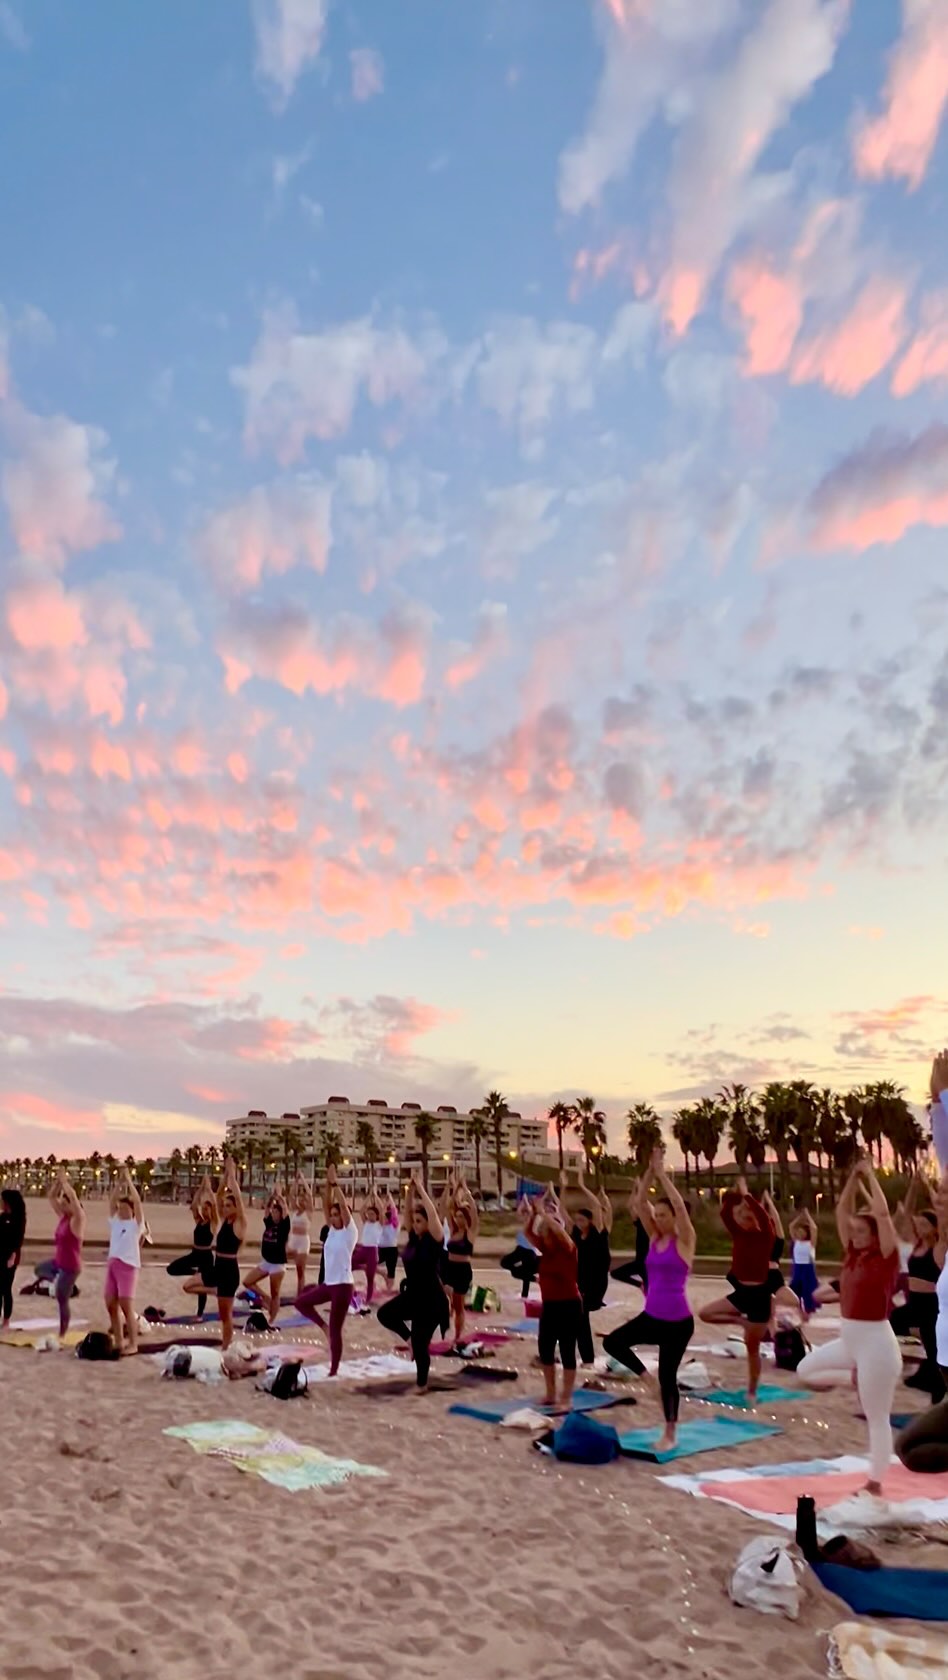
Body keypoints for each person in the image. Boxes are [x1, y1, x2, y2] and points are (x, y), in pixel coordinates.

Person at [798, 1157, 901, 1495]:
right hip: (851, 1341)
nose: (854, 1235)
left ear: (874, 1236)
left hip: (877, 1344)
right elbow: (843, 1213)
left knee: (876, 1416)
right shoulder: (852, 1254)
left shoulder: (886, 1257)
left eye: (861, 1231)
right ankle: (852, 1377)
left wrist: (870, 1177)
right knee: (805, 1371)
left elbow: (883, 1216)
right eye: (853, 1232)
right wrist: (852, 1180)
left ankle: (875, 1482)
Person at [602, 1149, 696, 1451]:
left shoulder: (685, 1241)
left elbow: (680, 1208)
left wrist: (664, 1176)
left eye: (663, 1215)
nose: (657, 1218)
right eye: (656, 1215)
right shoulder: (654, 1239)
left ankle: (670, 1432)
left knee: (669, 1376)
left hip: (678, 1323)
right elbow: (640, 1204)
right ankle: (645, 1378)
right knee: (613, 1343)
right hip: (652, 1317)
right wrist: (648, 1174)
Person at [699, 1177, 775, 1403]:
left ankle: (752, 1390)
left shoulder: (765, 1236)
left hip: (760, 1297)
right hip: (741, 1294)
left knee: (753, 1348)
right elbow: (725, 1214)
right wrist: (734, 1195)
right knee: (705, 1313)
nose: (744, 1219)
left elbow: (762, 1216)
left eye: (748, 1216)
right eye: (741, 1216)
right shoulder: (738, 1234)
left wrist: (747, 1196)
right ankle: (740, 1321)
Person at [377, 1176, 450, 1392]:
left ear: (428, 1222)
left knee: (421, 1344)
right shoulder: (414, 1238)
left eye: (420, 1221)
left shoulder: (434, 1239)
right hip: (414, 1295)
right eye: (415, 1221)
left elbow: (434, 1214)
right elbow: (408, 1214)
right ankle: (408, 1339)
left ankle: (422, 1384)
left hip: (432, 1300)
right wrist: (409, 1193)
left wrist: (421, 1190)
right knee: (385, 1314)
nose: (416, 1224)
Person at [897, 1175, 948, 1471]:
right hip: (945, 1370)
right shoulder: (942, 1248)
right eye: (939, 1192)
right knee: (908, 1448)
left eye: (945, 1192)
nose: (938, 1198)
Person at [294, 1166, 357, 1375]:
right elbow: (326, 1203)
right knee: (300, 1302)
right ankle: (323, 1327)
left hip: (342, 1287)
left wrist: (336, 1184)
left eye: (337, 1215)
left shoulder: (350, 1232)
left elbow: (344, 1211)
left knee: (336, 1329)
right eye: (331, 1215)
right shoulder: (331, 1230)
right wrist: (328, 1184)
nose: (333, 1217)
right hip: (328, 1284)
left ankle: (334, 1368)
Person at [524, 1192, 583, 1410]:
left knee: (568, 1351)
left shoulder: (569, 1249)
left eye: (548, 1233)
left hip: (569, 1305)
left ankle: (566, 1397)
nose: (544, 1237)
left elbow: (560, 1232)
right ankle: (551, 1393)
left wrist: (544, 1213)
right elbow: (527, 1232)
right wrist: (532, 1214)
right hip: (550, 1306)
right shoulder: (546, 1251)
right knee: (545, 1350)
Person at [890, 1183, 946, 1401]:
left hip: (931, 1304)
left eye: (925, 1224)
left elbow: (943, 1217)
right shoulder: (916, 1244)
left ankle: (937, 1394)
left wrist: (936, 1196)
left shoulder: (939, 1246)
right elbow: (906, 1214)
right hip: (914, 1302)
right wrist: (913, 1185)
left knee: (934, 1350)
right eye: (918, 1224)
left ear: (934, 1228)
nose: (920, 1227)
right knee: (893, 1320)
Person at [185, 1156, 246, 1350]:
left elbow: (238, 1200)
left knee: (224, 1315)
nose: (225, 1208)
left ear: (235, 1207)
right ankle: (214, 1290)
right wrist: (225, 1175)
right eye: (225, 1206)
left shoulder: (240, 1223)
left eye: (230, 1206)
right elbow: (218, 1198)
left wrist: (232, 1177)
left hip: (229, 1271)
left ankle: (226, 1347)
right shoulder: (223, 1220)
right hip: (216, 1267)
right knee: (188, 1285)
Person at [559, 1169, 612, 1367]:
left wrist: (581, 1186)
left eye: (582, 1220)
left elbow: (597, 1207)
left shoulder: (598, 1234)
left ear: (590, 1221)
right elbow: (562, 1210)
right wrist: (563, 1187)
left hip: (595, 1283)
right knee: (579, 1318)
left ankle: (587, 1357)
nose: (578, 1223)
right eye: (577, 1220)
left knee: (581, 1317)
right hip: (579, 1280)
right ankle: (585, 1357)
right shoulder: (575, 1232)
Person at [166, 1173, 217, 1319]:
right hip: (195, 1255)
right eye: (204, 1209)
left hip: (206, 1257)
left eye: (208, 1209)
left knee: (201, 1290)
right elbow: (195, 1204)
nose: (205, 1211)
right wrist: (202, 1187)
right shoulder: (199, 1221)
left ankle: (199, 1314)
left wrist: (209, 1190)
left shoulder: (212, 1224)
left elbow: (214, 1204)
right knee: (172, 1268)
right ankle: (195, 1273)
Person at [105, 1167, 143, 1355]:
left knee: (126, 1305)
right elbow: (112, 1201)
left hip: (127, 1266)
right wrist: (119, 1183)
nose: (121, 1210)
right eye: (120, 1208)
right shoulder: (116, 1222)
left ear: (132, 1210)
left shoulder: (136, 1225)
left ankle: (133, 1343)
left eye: (125, 1208)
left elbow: (137, 1201)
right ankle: (119, 1341)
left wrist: (129, 1180)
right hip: (112, 1263)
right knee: (110, 1303)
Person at [241, 1189, 291, 1325]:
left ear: (280, 1214)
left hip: (277, 1264)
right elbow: (267, 1210)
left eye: (277, 1212)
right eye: (273, 1212)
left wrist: (280, 1197)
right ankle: (264, 1297)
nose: (274, 1214)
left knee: (275, 1293)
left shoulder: (284, 1226)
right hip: (266, 1261)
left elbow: (285, 1209)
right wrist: (271, 1198)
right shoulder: (269, 1223)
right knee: (247, 1282)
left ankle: (272, 1320)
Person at [440, 1175, 479, 1344]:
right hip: (448, 1267)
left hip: (462, 1270)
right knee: (443, 1293)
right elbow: (447, 1207)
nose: (458, 1219)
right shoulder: (453, 1230)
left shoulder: (470, 1233)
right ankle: (447, 1311)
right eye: (457, 1217)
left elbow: (475, 1213)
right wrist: (454, 1188)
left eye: (461, 1216)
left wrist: (466, 1191)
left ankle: (457, 1336)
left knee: (459, 1306)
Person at [47, 1167, 85, 1339]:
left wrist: (65, 1182)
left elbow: (75, 1201)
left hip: (71, 1266)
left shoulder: (77, 1220)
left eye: (65, 1203)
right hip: (59, 1264)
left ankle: (62, 1333)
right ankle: (59, 1283)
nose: (62, 1205)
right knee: (39, 1269)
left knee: (62, 1298)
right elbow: (51, 1197)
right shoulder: (63, 1218)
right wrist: (57, 1182)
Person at [500, 1200, 541, 1299]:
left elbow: (534, 1214)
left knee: (525, 1272)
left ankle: (524, 1295)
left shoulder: (534, 1223)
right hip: (520, 1249)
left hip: (529, 1251)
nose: (525, 1215)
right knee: (505, 1262)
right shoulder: (522, 1222)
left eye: (528, 1213)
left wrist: (532, 1206)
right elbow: (519, 1212)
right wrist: (524, 1200)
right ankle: (535, 1280)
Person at [0, 1188, 26, 1330]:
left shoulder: (18, 1218)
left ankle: (6, 1321)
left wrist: (12, 1256)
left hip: (10, 1257)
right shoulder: (3, 1217)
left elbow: (18, 1239)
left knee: (5, 1288)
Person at [353, 1193, 384, 1306]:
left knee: (370, 1277)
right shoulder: (366, 1222)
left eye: (372, 1214)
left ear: (376, 1216)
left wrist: (376, 1196)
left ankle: (369, 1298)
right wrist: (368, 1197)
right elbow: (361, 1210)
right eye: (369, 1214)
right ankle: (363, 1267)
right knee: (350, 1263)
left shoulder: (379, 1224)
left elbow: (381, 1211)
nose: (370, 1216)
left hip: (372, 1251)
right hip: (363, 1249)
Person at [789, 1207, 821, 1314]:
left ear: (806, 1233)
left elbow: (814, 1228)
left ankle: (808, 1311)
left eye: (801, 1232)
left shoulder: (811, 1244)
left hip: (808, 1269)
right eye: (798, 1232)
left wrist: (807, 1215)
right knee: (795, 1291)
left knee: (808, 1292)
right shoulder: (796, 1242)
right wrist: (800, 1217)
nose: (799, 1233)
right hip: (797, 1268)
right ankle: (797, 1310)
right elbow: (791, 1226)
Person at [287, 1178, 314, 1293]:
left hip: (303, 1242)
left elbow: (310, 1195)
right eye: (301, 1199)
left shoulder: (308, 1212)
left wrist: (303, 1180)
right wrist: (296, 1182)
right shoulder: (294, 1210)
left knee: (300, 1270)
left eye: (304, 1200)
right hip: (293, 1240)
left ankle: (300, 1292)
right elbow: (290, 1195)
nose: (302, 1201)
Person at [379, 1195, 400, 1282]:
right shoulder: (382, 1224)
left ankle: (389, 1288)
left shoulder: (395, 1225)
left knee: (391, 1273)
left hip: (391, 1249)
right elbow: (381, 1212)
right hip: (381, 1249)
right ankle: (382, 1273)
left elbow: (394, 1210)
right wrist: (386, 1202)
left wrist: (390, 1198)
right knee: (369, 1265)